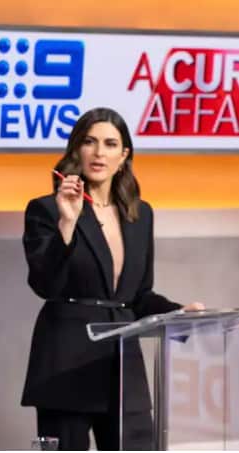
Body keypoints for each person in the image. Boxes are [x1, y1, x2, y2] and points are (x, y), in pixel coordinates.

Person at [20, 107, 204, 450]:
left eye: (109, 143)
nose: (99, 152)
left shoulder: (140, 213)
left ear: (124, 155)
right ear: (76, 150)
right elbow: (44, 284)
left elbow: (138, 296)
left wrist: (180, 314)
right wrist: (67, 223)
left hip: (123, 367)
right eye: (89, 142)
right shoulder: (46, 209)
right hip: (66, 363)